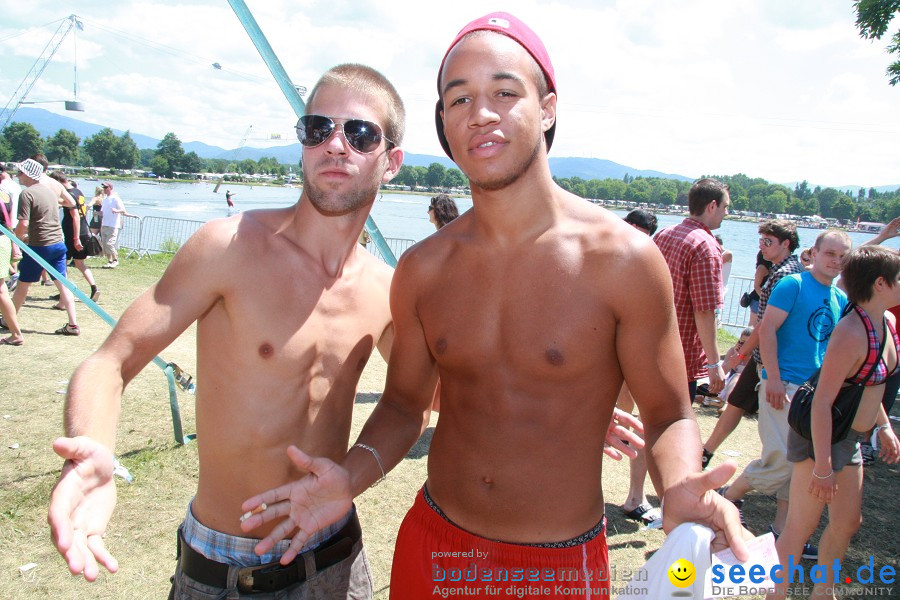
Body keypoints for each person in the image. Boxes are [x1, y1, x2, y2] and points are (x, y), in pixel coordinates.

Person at [240, 13, 749, 600]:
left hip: (556, 567)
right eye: (458, 100)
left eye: (504, 93)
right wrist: (347, 480)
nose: (480, 113)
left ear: (548, 107)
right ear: (444, 125)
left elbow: (668, 413)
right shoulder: (424, 268)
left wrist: (680, 483)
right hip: (435, 547)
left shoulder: (624, 261)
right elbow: (406, 406)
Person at [47, 64, 408, 598]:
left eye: (359, 133)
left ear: (391, 161)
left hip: (335, 560)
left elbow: (413, 404)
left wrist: (352, 478)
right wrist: (92, 446)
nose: (336, 145)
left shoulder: (386, 291)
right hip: (219, 569)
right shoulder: (229, 247)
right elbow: (111, 361)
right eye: (317, 129)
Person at [769, 245, 900, 600]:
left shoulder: (885, 325)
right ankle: (775, 595)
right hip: (822, 439)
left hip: (849, 438)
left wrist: (884, 426)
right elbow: (823, 403)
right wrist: (823, 466)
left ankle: (822, 593)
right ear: (880, 283)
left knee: (846, 523)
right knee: (800, 526)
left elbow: (871, 383)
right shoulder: (850, 332)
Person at [721, 230, 852, 560]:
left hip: (813, 393)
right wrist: (773, 378)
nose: (835, 261)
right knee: (781, 458)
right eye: (830, 254)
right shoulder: (792, 285)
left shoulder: (838, 299)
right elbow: (767, 331)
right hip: (784, 385)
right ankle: (728, 495)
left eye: (842, 256)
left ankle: (782, 532)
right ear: (815, 252)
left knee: (799, 463)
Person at [706, 221, 804, 469]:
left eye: (768, 242)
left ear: (786, 244)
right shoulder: (789, 270)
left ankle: (772, 473)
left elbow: (765, 325)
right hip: (767, 355)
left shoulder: (782, 275)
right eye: (761, 241)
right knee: (736, 403)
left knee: (773, 422)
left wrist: (741, 354)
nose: (762, 246)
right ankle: (706, 451)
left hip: (772, 359)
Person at [654, 178, 730, 401]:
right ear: (712, 206)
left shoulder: (664, 234)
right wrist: (714, 363)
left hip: (654, 344)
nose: (726, 212)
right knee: (674, 423)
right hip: (682, 354)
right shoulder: (706, 247)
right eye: (725, 207)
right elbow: (705, 310)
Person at [11, 158, 79, 337]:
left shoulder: (26, 194)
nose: (17, 176)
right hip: (58, 244)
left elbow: (23, 224)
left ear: (27, 174)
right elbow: (68, 205)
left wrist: (16, 237)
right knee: (63, 284)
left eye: (20, 173)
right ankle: (73, 324)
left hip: (39, 246)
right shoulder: (50, 191)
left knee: (22, 285)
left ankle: (8, 319)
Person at [48, 173, 100, 303]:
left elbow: (75, 216)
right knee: (79, 263)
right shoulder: (77, 191)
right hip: (82, 231)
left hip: (73, 235)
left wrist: (75, 238)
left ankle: (64, 293)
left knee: (61, 264)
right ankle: (94, 288)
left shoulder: (69, 194)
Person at [0, 187, 24, 345]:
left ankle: (16, 333)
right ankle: (15, 333)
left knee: (1, 291)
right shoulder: (5, 195)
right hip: (4, 241)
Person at [99, 181, 131, 268]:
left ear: (110, 188)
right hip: (105, 224)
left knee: (110, 244)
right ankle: (109, 261)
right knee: (105, 244)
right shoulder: (105, 199)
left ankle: (116, 260)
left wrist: (116, 211)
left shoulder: (115, 198)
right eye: (103, 188)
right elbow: (103, 212)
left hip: (113, 225)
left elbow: (123, 210)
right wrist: (97, 214)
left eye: (106, 187)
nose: (104, 189)